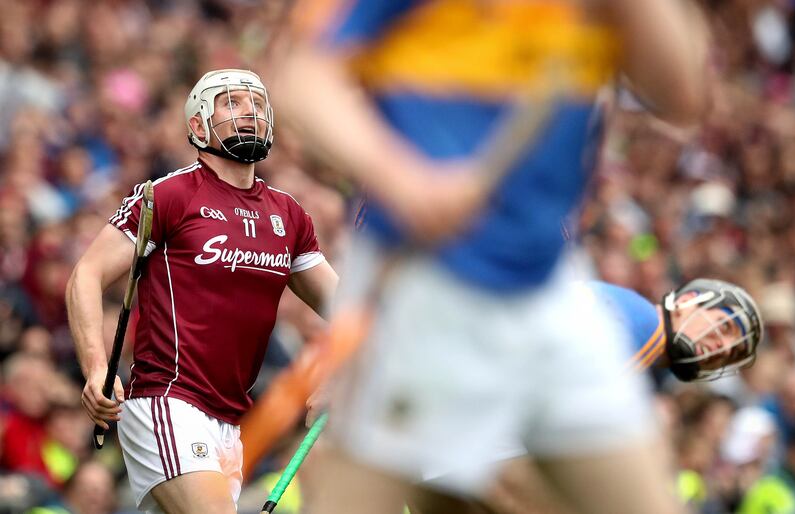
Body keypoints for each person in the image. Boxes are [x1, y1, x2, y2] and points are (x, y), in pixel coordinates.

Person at [271, 1, 710, 514]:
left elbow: (681, 93)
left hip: (546, 289)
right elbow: (303, 81)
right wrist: (404, 180)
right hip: (422, 290)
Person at [66, 69, 338, 514]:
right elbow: (87, 274)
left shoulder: (288, 216)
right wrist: (97, 368)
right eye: (231, 103)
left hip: (231, 424)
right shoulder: (168, 195)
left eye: (256, 104)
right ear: (197, 125)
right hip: (168, 402)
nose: (249, 112)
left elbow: (352, 313)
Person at [411, 277, 764, 514]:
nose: (723, 347)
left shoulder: (633, 324)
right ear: (687, 301)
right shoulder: (643, 326)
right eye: (726, 327)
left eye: (732, 353)